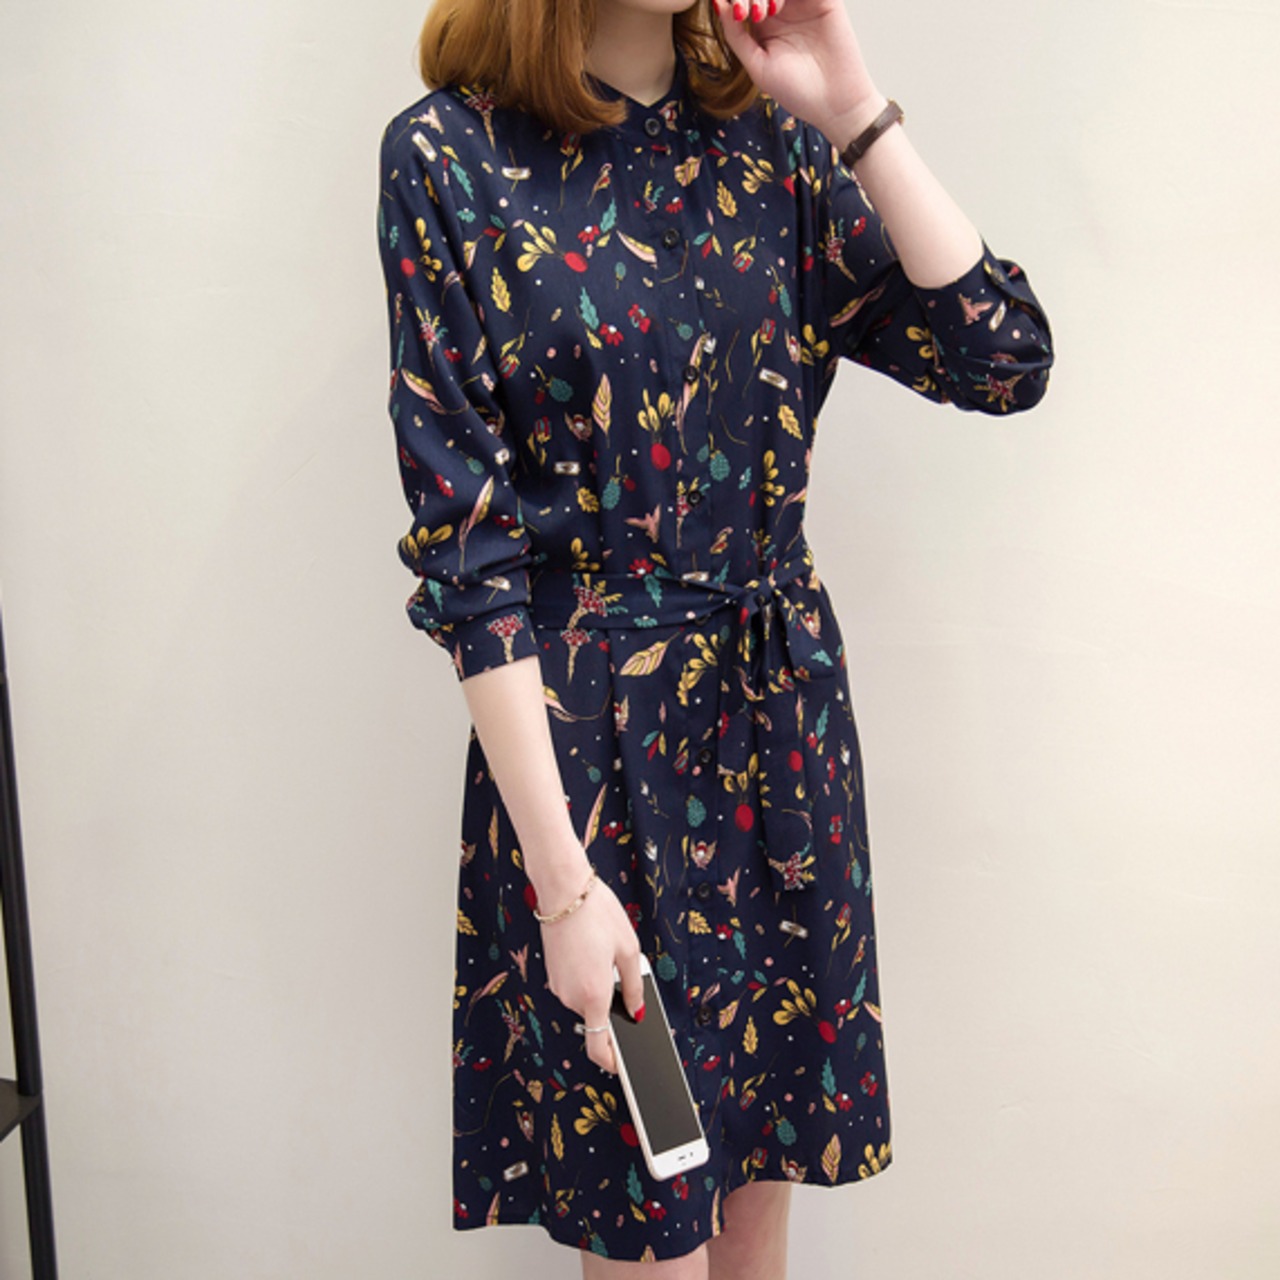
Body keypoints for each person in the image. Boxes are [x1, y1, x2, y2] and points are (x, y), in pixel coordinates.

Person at [375, 0, 1053, 1271]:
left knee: (751, 1213)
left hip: (774, 742)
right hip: (590, 771)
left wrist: (851, 111)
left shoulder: (772, 147)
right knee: (650, 1225)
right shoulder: (447, 157)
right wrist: (562, 887)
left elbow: (1002, 356)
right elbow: (469, 558)